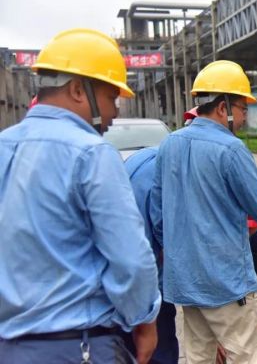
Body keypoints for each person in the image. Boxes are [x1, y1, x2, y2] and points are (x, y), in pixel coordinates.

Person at [0, 28, 161, 364]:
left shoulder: (4, 146)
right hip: (78, 347)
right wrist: (145, 321)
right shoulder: (91, 152)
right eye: (111, 97)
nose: (115, 112)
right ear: (77, 89)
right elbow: (131, 259)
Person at [151, 60, 257, 364]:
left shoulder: (169, 144)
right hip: (227, 284)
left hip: (186, 282)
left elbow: (158, 216)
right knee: (247, 357)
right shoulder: (231, 149)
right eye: (242, 109)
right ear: (223, 107)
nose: (244, 117)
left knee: (199, 358)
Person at [122, 147, 180, 364]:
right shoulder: (172, 176)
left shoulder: (143, 158)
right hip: (148, 287)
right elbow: (167, 241)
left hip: (118, 286)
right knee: (157, 352)